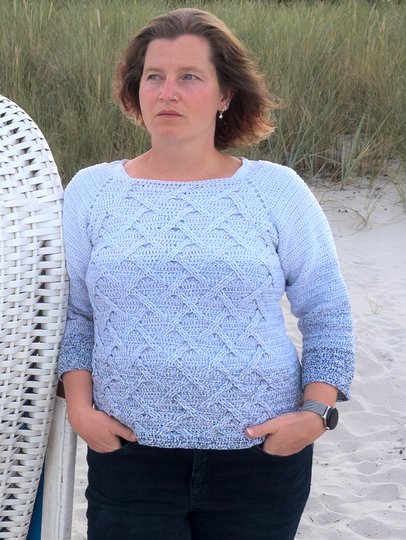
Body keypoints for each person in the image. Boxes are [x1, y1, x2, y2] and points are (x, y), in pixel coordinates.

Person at [58, 8, 355, 540]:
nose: (168, 92)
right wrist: (80, 409)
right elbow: (75, 314)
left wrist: (316, 413)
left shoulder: (276, 191)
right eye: (154, 76)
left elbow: (326, 310)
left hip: (260, 456)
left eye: (189, 77)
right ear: (136, 90)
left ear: (225, 95)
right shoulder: (92, 191)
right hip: (129, 455)